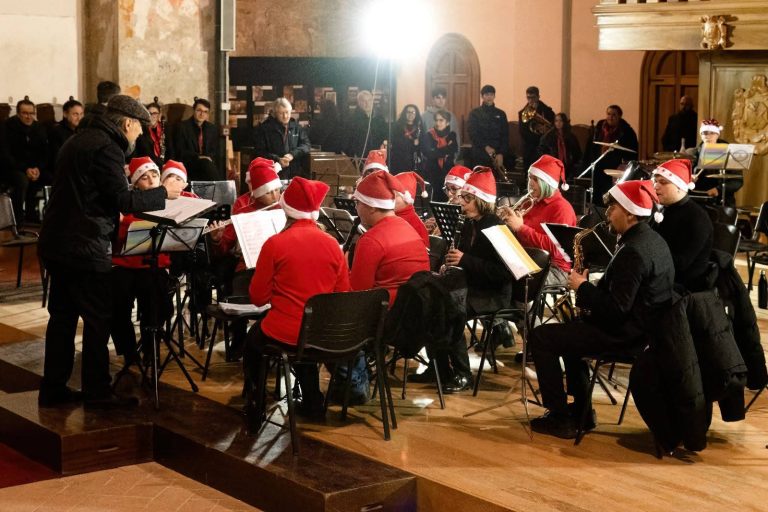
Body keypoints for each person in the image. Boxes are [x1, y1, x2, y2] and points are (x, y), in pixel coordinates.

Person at [38, 95, 184, 409]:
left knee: (62, 319)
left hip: (57, 242)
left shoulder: (79, 139)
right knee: (97, 320)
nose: (139, 137)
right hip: (84, 245)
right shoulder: (107, 147)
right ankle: (98, 392)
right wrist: (164, 193)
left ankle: (53, 390)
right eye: (139, 130)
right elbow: (123, 201)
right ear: (127, 123)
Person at [528, 180, 674, 439]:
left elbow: (616, 310)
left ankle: (560, 417)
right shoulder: (654, 240)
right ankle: (582, 412)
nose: (607, 214)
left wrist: (583, 287)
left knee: (541, 337)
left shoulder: (633, 251)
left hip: (626, 336)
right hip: (645, 330)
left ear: (630, 213)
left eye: (612, 208)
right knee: (570, 334)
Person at [245, 177, 350, 420]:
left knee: (253, 340)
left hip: (287, 332)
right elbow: (342, 293)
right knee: (304, 340)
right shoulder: (333, 245)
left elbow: (257, 298)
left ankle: (255, 399)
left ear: (286, 209)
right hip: (321, 332)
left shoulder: (275, 244)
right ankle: (312, 400)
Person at [345, 170, 430, 403]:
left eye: (358, 203)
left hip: (387, 320)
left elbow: (358, 293)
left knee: (331, 323)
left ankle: (354, 385)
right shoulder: (409, 228)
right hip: (415, 317)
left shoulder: (372, 240)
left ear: (372, 207)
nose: (356, 209)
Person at [443, 168, 512, 392]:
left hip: (492, 293)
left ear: (481, 201)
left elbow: (504, 273)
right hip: (470, 286)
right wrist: (450, 265)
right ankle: (440, 369)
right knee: (433, 302)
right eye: (462, 197)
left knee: (451, 311)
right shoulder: (469, 223)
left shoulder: (498, 228)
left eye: (467, 198)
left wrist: (464, 260)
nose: (461, 202)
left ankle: (463, 374)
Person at [209, 157, 283, 355]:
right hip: (249, 267)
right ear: (257, 193)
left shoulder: (285, 209)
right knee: (241, 291)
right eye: (268, 192)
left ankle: (274, 341)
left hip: (280, 269)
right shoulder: (243, 211)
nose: (275, 196)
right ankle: (240, 340)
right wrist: (217, 239)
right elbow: (225, 247)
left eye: (277, 190)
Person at [110, 157, 174, 365]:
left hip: (154, 264)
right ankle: (128, 351)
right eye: (144, 178)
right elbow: (116, 238)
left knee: (158, 303)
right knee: (117, 305)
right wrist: (126, 223)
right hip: (125, 264)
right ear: (136, 184)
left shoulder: (168, 203)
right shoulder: (127, 203)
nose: (152, 180)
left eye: (154, 175)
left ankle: (150, 347)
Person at [499, 155, 577, 285]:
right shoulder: (532, 201)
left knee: (506, 279)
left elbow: (557, 249)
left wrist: (520, 228)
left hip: (553, 268)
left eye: (535, 179)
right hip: (527, 260)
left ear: (546, 183)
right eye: (529, 177)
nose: (530, 183)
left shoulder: (562, 208)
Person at [651, 158, 713, 292]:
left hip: (684, 288)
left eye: (663, 182)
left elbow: (680, 264)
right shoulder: (665, 209)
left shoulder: (697, 217)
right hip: (662, 276)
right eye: (655, 181)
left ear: (680, 186)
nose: (655, 186)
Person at [1, 97, 51, 222]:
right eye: (25, 113)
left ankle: (39, 216)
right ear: (18, 114)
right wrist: (25, 169)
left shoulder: (39, 128)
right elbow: (6, 155)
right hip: (13, 168)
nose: (29, 117)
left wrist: (38, 168)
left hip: (34, 168)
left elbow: (45, 153)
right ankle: (17, 218)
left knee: (53, 177)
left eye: (31, 113)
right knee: (22, 181)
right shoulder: (7, 127)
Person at [583, 104, 638, 206]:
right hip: (598, 164)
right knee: (596, 192)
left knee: (609, 192)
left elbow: (632, 152)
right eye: (608, 114)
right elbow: (591, 147)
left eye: (614, 115)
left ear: (619, 116)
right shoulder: (599, 128)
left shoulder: (627, 132)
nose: (610, 117)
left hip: (615, 167)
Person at [253, 97, 311, 179]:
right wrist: (277, 159)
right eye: (281, 113)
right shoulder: (265, 129)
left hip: (294, 172)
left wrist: (292, 154)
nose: (285, 116)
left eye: (287, 112)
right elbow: (259, 152)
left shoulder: (296, 127)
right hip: (273, 173)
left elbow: (306, 145)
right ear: (275, 114)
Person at [692, 118, 741, 207]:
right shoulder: (693, 153)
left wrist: (719, 190)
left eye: (712, 133)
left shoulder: (729, 152)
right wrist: (688, 177)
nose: (708, 136)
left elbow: (737, 181)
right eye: (705, 133)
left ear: (717, 135)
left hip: (722, 200)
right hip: (697, 199)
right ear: (701, 135)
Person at [172, 97, 220, 181]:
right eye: (199, 110)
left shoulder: (212, 129)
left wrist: (207, 158)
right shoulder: (182, 127)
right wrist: (199, 157)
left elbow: (215, 151)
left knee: (209, 164)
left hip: (208, 165)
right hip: (189, 163)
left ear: (208, 114)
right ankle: (220, 187)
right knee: (206, 164)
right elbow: (180, 151)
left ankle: (218, 185)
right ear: (193, 111)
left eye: (205, 112)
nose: (202, 114)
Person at [468, 85, 509, 177]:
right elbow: (472, 133)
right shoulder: (474, 113)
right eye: (486, 94)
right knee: (479, 180)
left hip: (496, 154)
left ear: (494, 96)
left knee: (494, 181)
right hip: (480, 153)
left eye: (491, 94)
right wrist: (486, 147)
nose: (489, 97)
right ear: (482, 96)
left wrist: (501, 153)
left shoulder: (501, 114)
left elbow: (505, 135)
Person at [422, 109, 458, 201]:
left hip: (447, 171)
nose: (438, 123)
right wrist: (446, 149)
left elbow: (454, 149)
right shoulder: (429, 135)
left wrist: (437, 151)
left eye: (441, 120)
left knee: (447, 198)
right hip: (432, 171)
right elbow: (429, 154)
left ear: (447, 122)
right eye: (436, 120)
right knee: (433, 198)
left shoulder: (452, 135)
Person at [518, 86, 556, 170]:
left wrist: (545, 131)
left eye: (533, 97)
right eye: (528, 98)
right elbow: (522, 132)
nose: (531, 100)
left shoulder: (547, 111)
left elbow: (553, 128)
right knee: (529, 171)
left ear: (538, 97)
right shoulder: (522, 113)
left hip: (544, 147)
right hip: (529, 147)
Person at [538, 112, 583, 182]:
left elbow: (577, 153)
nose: (558, 123)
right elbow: (542, 150)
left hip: (568, 166)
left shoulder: (571, 136)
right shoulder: (548, 136)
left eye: (560, 121)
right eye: (556, 121)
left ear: (564, 122)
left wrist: (574, 164)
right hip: (553, 165)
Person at [344, 90, 387, 161]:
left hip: (377, 156)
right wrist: (353, 154)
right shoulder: (352, 120)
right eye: (364, 101)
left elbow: (384, 135)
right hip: (360, 157)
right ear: (359, 103)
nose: (367, 103)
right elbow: (348, 141)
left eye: (369, 100)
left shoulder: (379, 118)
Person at [393, 171, 430, 247]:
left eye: (395, 196)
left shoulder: (413, 222)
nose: (390, 198)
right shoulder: (393, 215)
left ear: (407, 199)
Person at [49, 97, 84, 166]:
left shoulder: (84, 129)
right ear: (65, 114)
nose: (79, 118)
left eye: (81, 114)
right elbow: (57, 157)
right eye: (75, 114)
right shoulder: (56, 131)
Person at [389, 104, 423, 173]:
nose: (410, 114)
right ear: (404, 113)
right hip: (399, 159)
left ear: (416, 114)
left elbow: (423, 144)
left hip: (413, 160)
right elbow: (393, 141)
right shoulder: (397, 126)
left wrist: (418, 143)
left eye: (413, 112)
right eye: (408, 112)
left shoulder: (419, 127)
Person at [131, 101, 166, 166]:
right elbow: (147, 152)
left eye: (155, 113)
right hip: (148, 164)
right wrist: (162, 165)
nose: (152, 116)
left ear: (159, 115)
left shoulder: (165, 128)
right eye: (149, 113)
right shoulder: (141, 131)